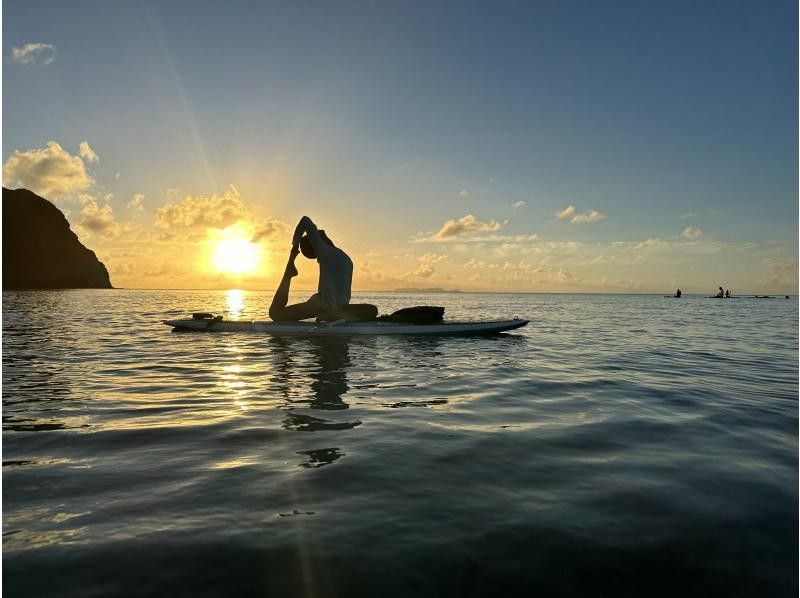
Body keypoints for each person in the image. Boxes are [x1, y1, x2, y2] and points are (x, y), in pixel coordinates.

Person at [269, 216, 378, 322]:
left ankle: (288, 274)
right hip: (334, 307)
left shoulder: (328, 252)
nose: (320, 232)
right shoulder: (341, 256)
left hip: (325, 306)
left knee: (275, 313)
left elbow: (305, 221)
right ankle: (334, 314)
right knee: (373, 310)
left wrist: (294, 247)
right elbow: (309, 225)